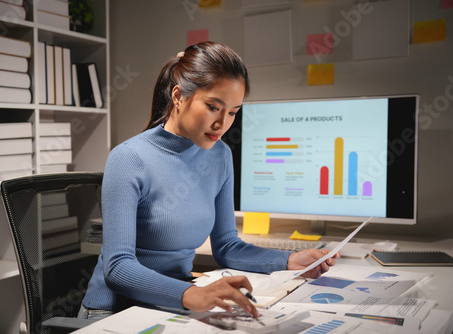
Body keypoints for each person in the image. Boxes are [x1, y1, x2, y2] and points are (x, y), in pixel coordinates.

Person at [80, 41, 340, 321]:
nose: (222, 124)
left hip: (175, 303)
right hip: (115, 310)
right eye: (213, 107)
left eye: (232, 112)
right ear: (178, 96)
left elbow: (227, 246)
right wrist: (192, 295)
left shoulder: (220, 156)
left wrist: (289, 261)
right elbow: (118, 268)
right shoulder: (129, 158)